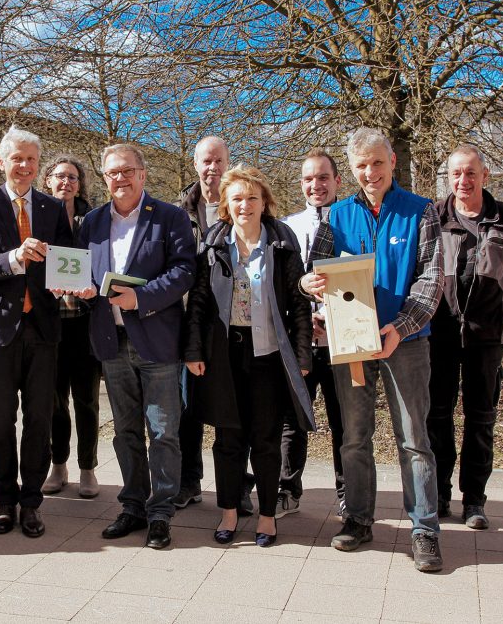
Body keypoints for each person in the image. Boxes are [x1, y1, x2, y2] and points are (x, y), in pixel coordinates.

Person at [302, 127, 445, 572]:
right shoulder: (336, 216)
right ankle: (359, 521)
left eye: (377, 163)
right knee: (354, 437)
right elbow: (315, 276)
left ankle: (424, 530)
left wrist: (400, 328)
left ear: (392, 163)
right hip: (352, 343)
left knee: (414, 439)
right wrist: (309, 287)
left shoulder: (421, 211)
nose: (370, 172)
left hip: (406, 343)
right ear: (352, 169)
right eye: (361, 166)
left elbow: (432, 280)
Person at [184, 165, 313, 547]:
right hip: (224, 355)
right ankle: (227, 513)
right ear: (226, 204)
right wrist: (193, 349)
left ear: (264, 202)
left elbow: (299, 302)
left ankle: (268, 517)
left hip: (269, 356)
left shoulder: (282, 241)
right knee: (228, 439)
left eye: (252, 198)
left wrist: (302, 355)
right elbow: (199, 303)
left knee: (266, 439)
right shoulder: (213, 242)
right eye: (237, 198)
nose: (245, 205)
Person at [80, 143, 196, 550]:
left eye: (127, 171)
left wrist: (140, 298)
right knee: (126, 431)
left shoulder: (170, 217)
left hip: (157, 341)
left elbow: (184, 271)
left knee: (163, 431)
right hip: (111, 342)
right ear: (104, 177)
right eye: (112, 172)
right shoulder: (91, 222)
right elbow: (83, 272)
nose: (120, 178)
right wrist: (76, 288)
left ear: (143, 174)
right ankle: (133, 506)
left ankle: (161, 512)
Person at [0, 127, 74, 538]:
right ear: (2, 162)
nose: (25, 166)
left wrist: (71, 279)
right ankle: (4, 501)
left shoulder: (51, 207)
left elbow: (66, 259)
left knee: (39, 419)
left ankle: (31, 503)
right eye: (17, 159)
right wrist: (14, 257)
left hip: (43, 328)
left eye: (31, 159)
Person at [428, 145, 503, 530]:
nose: (463, 181)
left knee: (480, 419)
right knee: (437, 417)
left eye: (470, 173)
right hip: (440, 335)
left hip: (487, 338)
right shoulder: (435, 217)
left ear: (485, 175)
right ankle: (438, 495)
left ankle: (474, 501)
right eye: (456, 174)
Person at [280, 148, 345, 518]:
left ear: (337, 180)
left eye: (323, 177)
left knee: (344, 424)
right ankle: (287, 490)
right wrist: (305, 320)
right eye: (308, 178)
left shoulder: (351, 222)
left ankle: (347, 494)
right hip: (301, 341)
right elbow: (284, 287)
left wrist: (333, 316)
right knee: (292, 420)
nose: (315, 185)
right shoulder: (288, 228)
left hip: (341, 342)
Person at [39, 155, 102, 498]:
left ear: (80, 184)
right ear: (47, 180)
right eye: (60, 176)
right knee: (53, 401)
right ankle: (58, 465)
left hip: (83, 322)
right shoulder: (37, 217)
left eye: (73, 178)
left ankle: (88, 469)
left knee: (86, 401)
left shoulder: (91, 220)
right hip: (49, 324)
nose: (66, 182)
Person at [174, 136, 228, 510]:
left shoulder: (239, 204)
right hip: (186, 322)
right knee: (187, 408)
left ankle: (236, 483)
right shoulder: (177, 212)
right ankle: (188, 481)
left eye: (219, 161)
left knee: (231, 407)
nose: (212, 168)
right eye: (206, 161)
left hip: (229, 323)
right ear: (196, 164)